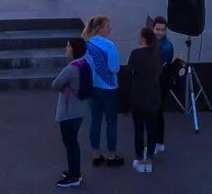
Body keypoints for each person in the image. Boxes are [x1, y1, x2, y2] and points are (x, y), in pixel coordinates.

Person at [81, 17, 122, 168]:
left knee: (95, 121)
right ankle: (111, 155)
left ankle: (96, 154)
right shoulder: (110, 45)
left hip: (93, 88)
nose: (110, 29)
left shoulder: (86, 43)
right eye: (107, 26)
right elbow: (115, 68)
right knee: (111, 122)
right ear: (100, 28)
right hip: (109, 89)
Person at [51, 36, 90, 188]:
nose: (66, 49)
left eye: (68, 46)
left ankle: (74, 176)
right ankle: (74, 171)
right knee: (73, 143)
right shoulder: (84, 64)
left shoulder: (71, 68)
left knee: (71, 144)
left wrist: (63, 86)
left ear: (73, 49)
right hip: (79, 109)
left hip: (69, 111)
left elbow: (55, 84)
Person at [126, 27, 162, 172]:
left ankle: (140, 158)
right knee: (152, 128)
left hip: (139, 94)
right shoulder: (155, 53)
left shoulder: (136, 53)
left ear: (143, 38)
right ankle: (150, 158)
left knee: (139, 128)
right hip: (153, 94)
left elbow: (130, 72)